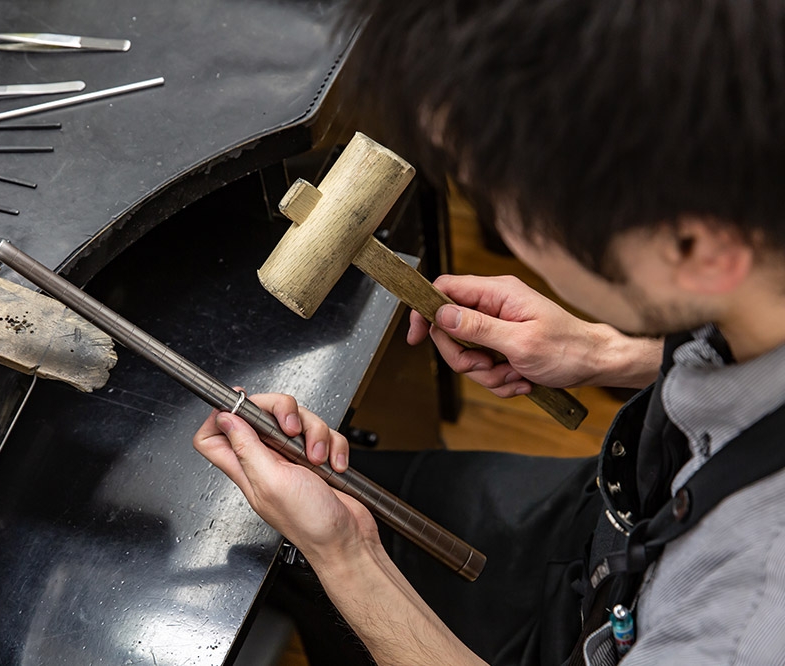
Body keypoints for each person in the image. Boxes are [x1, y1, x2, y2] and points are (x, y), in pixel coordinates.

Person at [193, 1, 785, 663]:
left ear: (696, 250)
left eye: (509, 213)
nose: (506, 231)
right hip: (612, 517)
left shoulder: (743, 626)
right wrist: (604, 351)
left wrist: (348, 556)